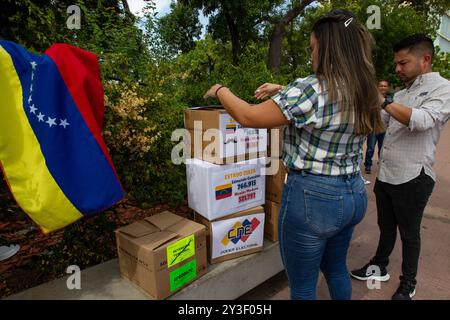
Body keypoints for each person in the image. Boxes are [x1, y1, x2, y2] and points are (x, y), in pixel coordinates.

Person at [204, 11, 384, 299]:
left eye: (313, 47)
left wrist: (221, 91)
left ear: (327, 48)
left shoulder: (310, 89)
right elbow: (321, 102)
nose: (312, 55)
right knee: (336, 268)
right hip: (354, 192)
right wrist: (281, 89)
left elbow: (248, 116)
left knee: (302, 285)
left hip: (314, 197)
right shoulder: (367, 92)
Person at [350, 34, 450, 300]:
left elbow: (422, 120)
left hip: (414, 177)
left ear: (425, 60)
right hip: (387, 174)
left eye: (403, 63)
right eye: (396, 63)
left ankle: (408, 283)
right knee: (385, 226)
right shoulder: (403, 92)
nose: (397, 69)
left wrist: (383, 102)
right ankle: (379, 266)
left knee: (409, 234)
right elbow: (381, 122)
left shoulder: (443, 89)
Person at [363, 80, 390, 174]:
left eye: (385, 86)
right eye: (381, 86)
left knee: (382, 149)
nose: (383, 87)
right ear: (377, 87)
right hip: (373, 129)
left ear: (388, 88)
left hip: (385, 129)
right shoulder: (373, 99)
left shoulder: (390, 100)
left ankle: (381, 166)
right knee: (370, 148)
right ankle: (368, 165)